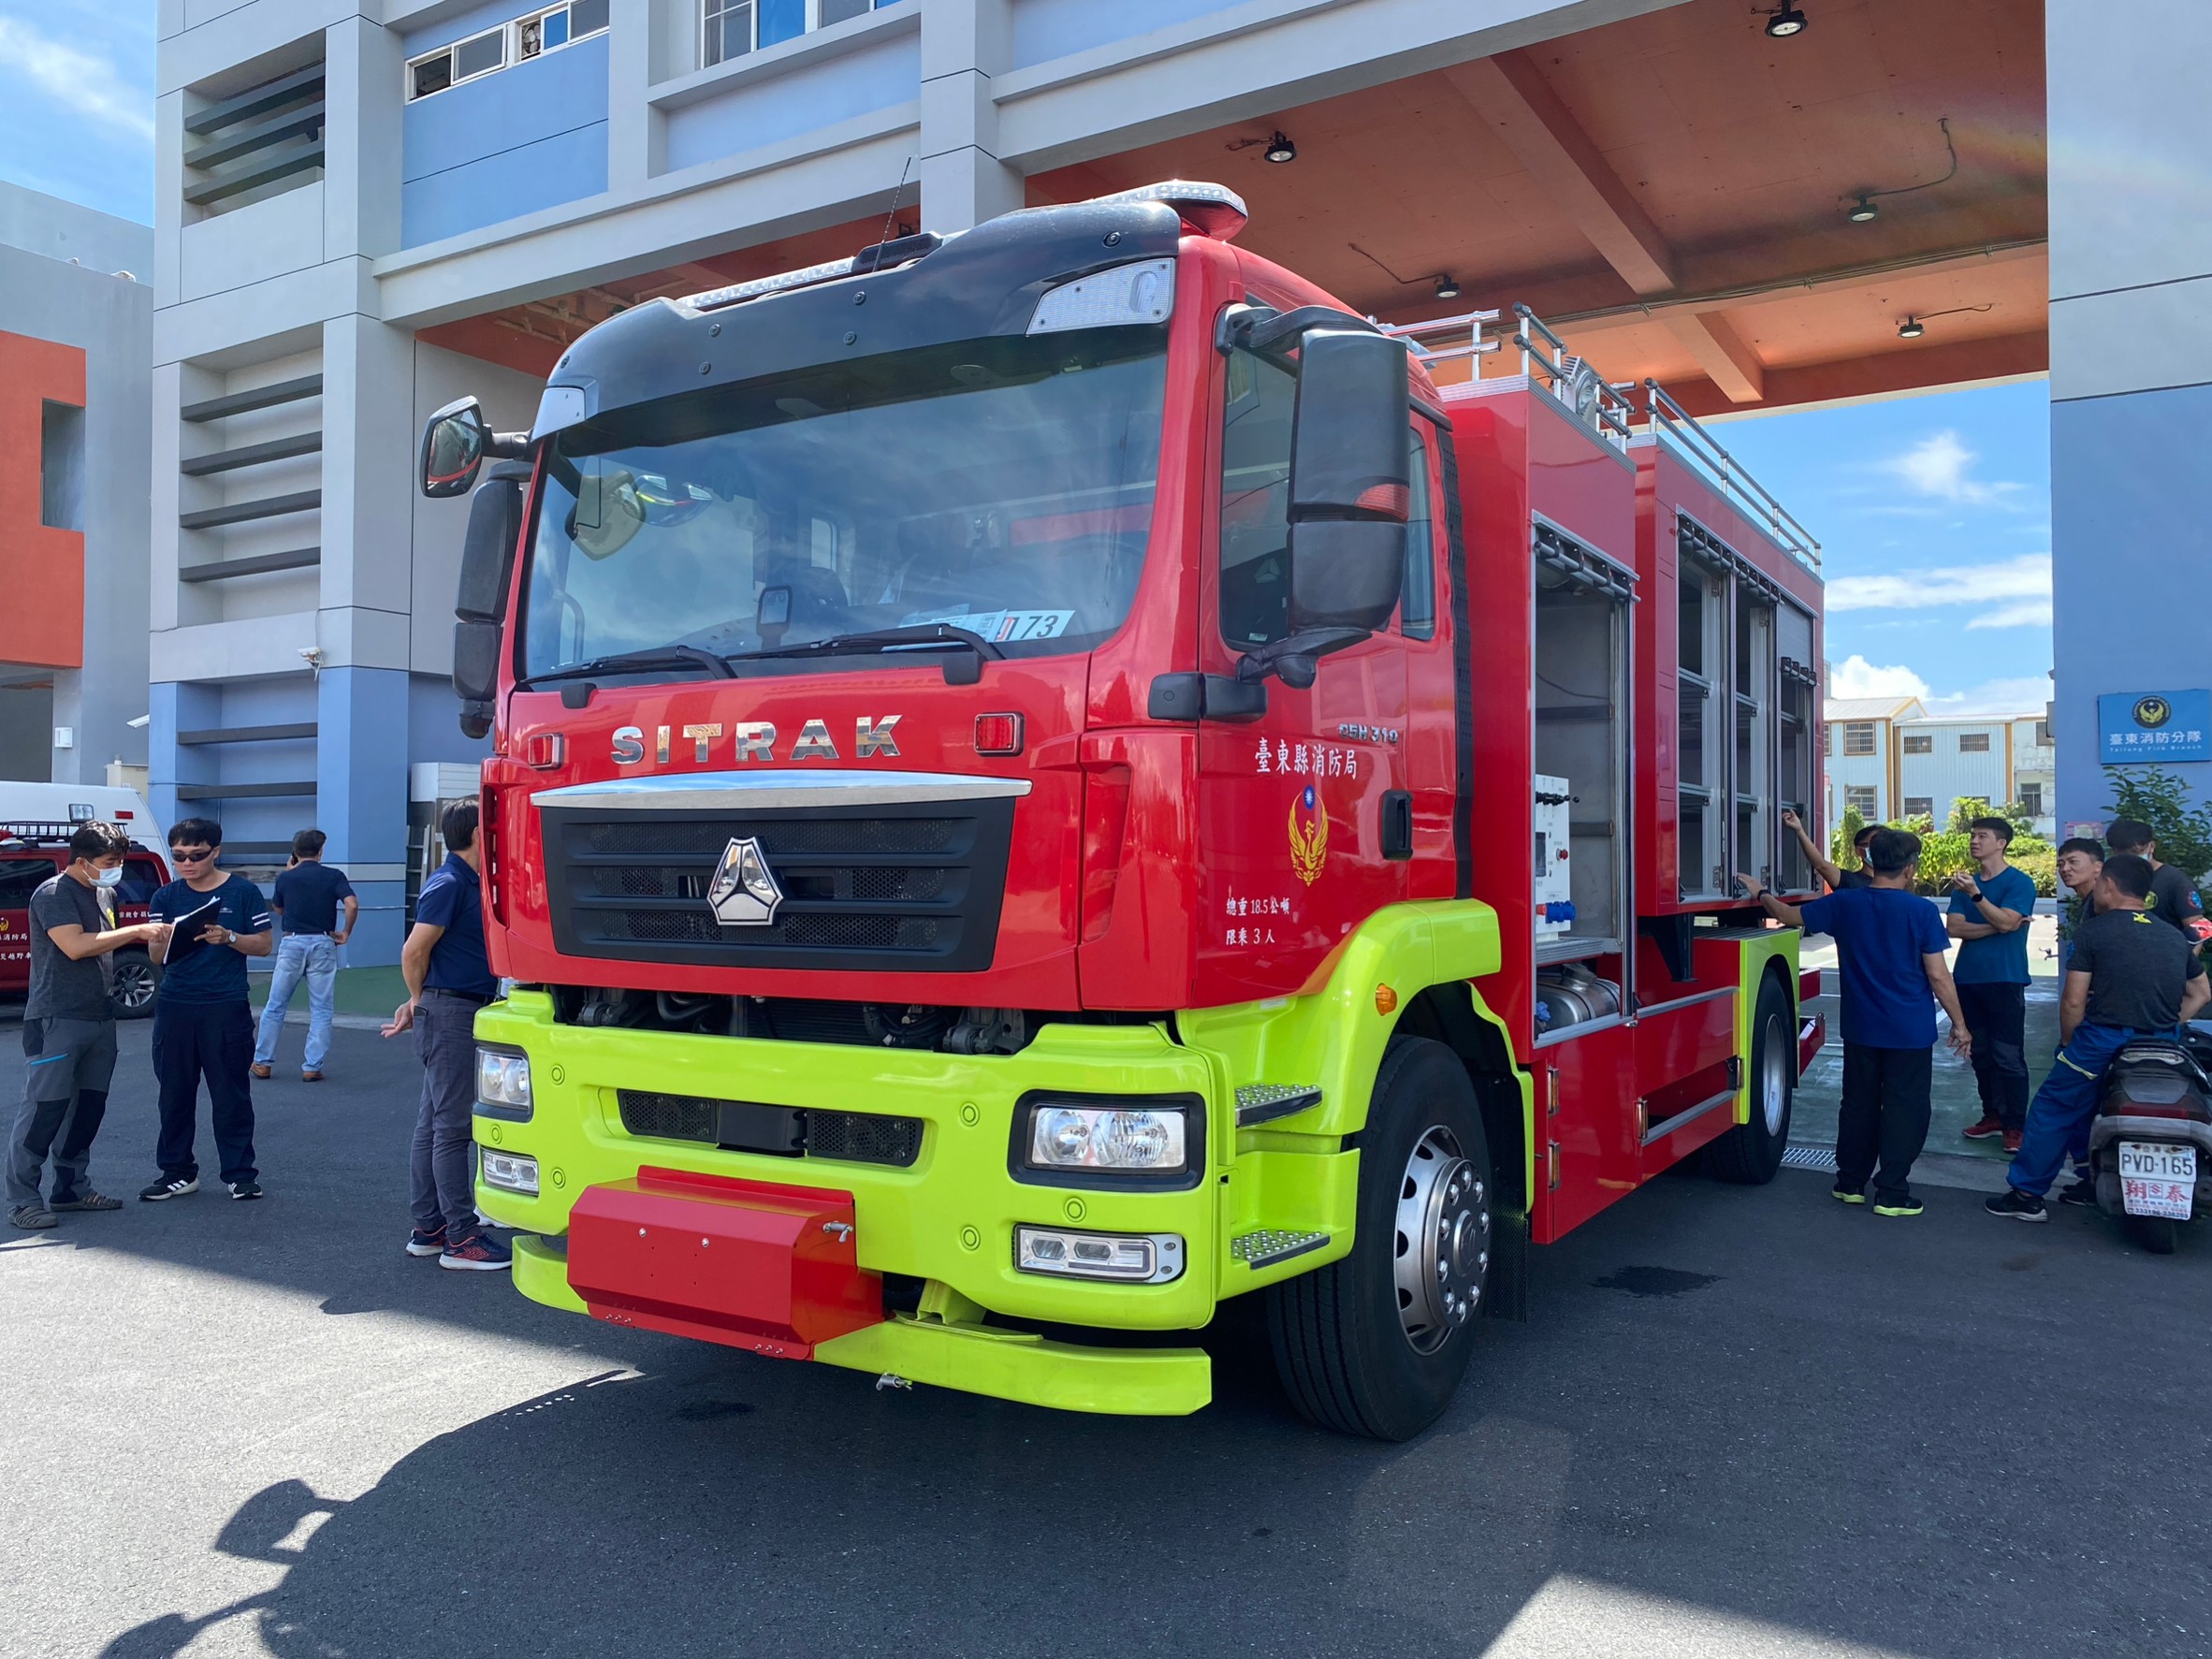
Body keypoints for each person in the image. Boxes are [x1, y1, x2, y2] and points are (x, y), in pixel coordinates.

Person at [1739, 828, 1972, 1216]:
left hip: (1861, 1026)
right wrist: (1960, 1025)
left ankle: (1850, 1182)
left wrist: (1759, 890)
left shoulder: (1845, 903)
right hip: (1908, 1031)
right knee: (1905, 1107)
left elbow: (1783, 914)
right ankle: (1892, 1192)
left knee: (1858, 1102)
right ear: (1910, 869)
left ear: (1871, 861)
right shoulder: (1921, 912)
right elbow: (1938, 975)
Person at [1986, 853, 2211, 1221]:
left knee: (2055, 1108)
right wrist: (2165, 1025)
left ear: (2107, 885)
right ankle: (2093, 1184)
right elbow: (2201, 993)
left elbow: (2074, 1000)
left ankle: (2027, 1194)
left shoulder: (2093, 932)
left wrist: (2068, 1044)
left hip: (2101, 1040)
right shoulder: (2173, 936)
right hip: (2163, 1044)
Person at [7, 823, 171, 1230]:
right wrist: (136, 930)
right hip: (56, 1017)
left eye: (119, 861)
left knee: (88, 1109)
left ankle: (71, 1189)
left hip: (99, 1014)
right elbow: (76, 946)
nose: (116, 869)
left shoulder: (105, 892)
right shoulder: (54, 893)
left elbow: (102, 943)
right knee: (45, 1110)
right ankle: (23, 1200)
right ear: (82, 861)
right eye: (110, 863)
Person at [383, 801, 508, 1271]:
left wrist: (422, 1000)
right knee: (452, 1130)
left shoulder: (461, 880)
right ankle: (461, 1237)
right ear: (479, 833)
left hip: (451, 1008)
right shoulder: (451, 882)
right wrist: (420, 999)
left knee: (434, 1125)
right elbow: (414, 950)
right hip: (452, 1011)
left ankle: (430, 1228)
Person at [139, 819, 274, 1202]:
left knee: (230, 1092)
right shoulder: (164, 897)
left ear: (215, 851)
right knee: (174, 1092)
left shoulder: (244, 892)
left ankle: (240, 1173)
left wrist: (228, 937)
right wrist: (162, 940)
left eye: (196, 855)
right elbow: (154, 957)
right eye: (179, 856)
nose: (187, 863)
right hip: (176, 1003)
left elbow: (264, 945)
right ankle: (177, 1171)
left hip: (225, 1003)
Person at [1947, 816, 2038, 1153]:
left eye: (1981, 836)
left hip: (2005, 979)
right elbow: (1954, 928)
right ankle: (1993, 1116)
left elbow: (2008, 918)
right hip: (1968, 979)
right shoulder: (1965, 883)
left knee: (2009, 1056)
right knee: (1981, 1053)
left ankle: (2015, 1125)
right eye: (1973, 836)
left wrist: (1977, 897)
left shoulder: (2020, 883)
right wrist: (2000, 926)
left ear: (2001, 843)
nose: (1974, 841)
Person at [252, 827, 358, 1084]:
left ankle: (262, 1062)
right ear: (321, 851)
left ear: (295, 853)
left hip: (293, 941)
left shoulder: (286, 878)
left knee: (276, 1005)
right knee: (321, 1008)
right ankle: (312, 1066)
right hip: (323, 941)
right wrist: (345, 932)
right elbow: (352, 903)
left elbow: (278, 907)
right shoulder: (333, 876)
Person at [2103, 819, 2206, 939]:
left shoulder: (2176, 881)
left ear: (2151, 846)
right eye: (2126, 854)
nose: (2133, 859)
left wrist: (2187, 957)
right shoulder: (2113, 880)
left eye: (2137, 852)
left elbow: (2200, 928)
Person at [1782, 808, 1879, 892]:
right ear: (1860, 851)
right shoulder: (1851, 881)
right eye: (1877, 842)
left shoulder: (1892, 884)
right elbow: (1821, 865)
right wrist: (1799, 831)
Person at [2054, 837, 2105, 975]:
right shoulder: (2087, 901)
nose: (2065, 869)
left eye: (2073, 862)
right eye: (2060, 864)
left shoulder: (2103, 904)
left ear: (2098, 867)